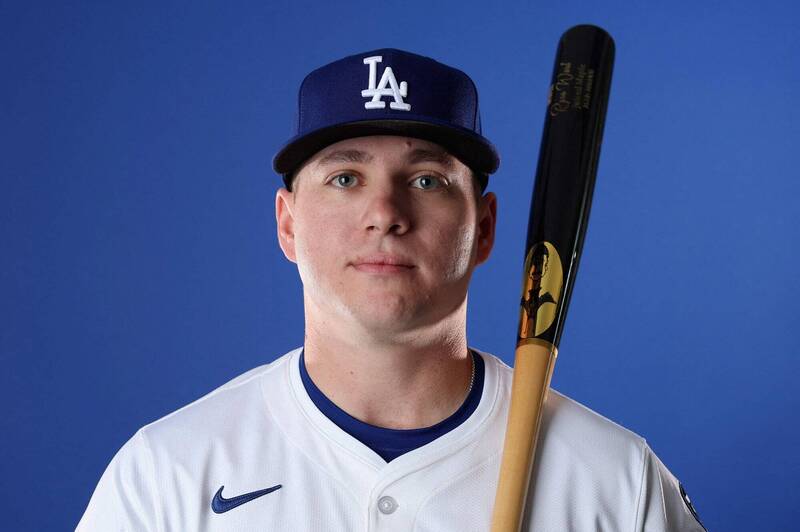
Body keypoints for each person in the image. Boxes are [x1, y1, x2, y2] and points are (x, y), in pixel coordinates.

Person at [77, 48, 706, 531]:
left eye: (427, 180)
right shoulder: (167, 473)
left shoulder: (616, 481)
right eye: (345, 178)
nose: (384, 213)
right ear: (288, 224)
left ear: (484, 229)